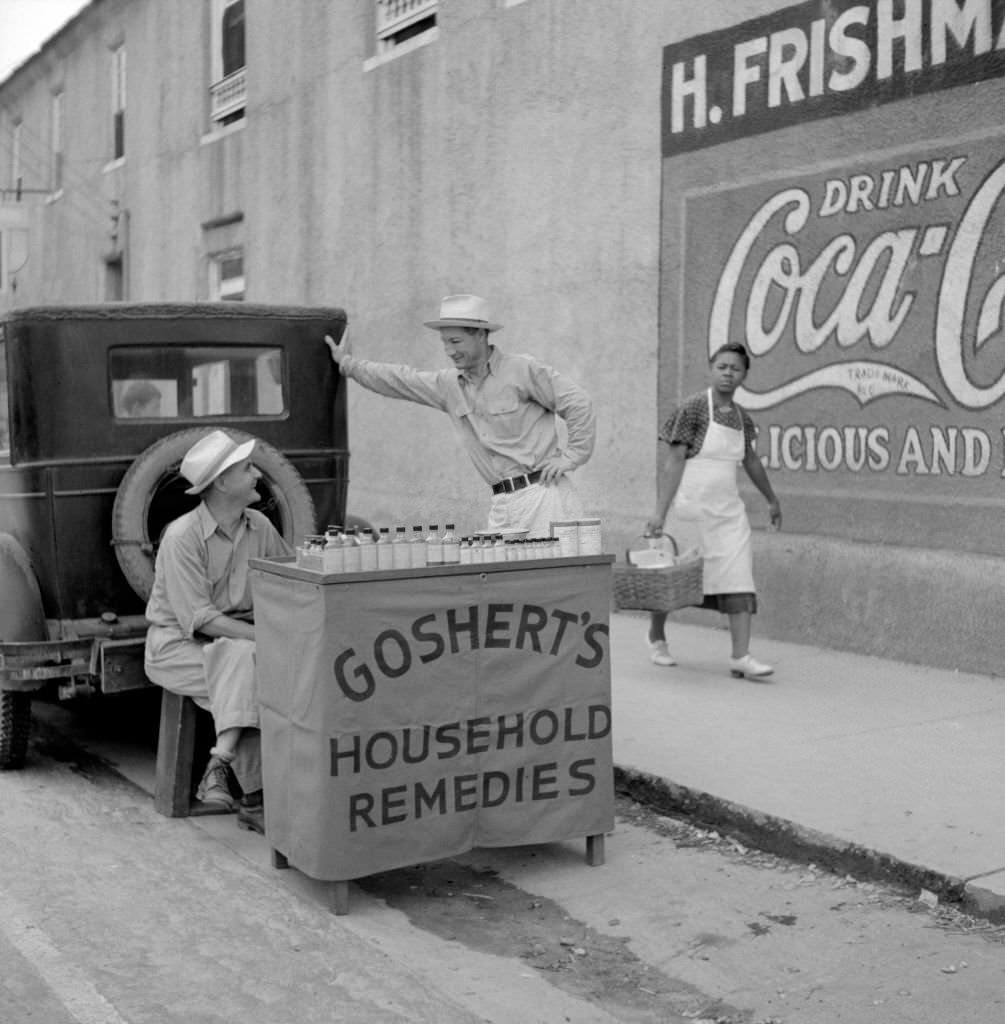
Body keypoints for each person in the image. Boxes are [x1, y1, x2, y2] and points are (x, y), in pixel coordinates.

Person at [324, 294, 596, 535]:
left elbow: (578, 403)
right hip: (503, 503)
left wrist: (571, 457)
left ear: (480, 334)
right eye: (445, 343)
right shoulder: (449, 385)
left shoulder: (522, 370)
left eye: (456, 341)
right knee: (502, 585)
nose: (450, 351)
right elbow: (400, 380)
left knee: (550, 581)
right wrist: (348, 364)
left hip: (543, 496)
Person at [144, 429, 292, 832]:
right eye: (247, 470)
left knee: (249, 664)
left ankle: (220, 767)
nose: (258, 476)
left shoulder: (260, 526)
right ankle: (259, 800)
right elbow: (201, 620)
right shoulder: (182, 537)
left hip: (236, 644)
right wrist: (265, 639)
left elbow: (285, 584)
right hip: (178, 647)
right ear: (223, 482)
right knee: (251, 665)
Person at [645, 342, 782, 679]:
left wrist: (771, 499)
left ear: (744, 375)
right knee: (674, 578)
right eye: (722, 367)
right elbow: (674, 461)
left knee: (739, 577)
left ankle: (740, 656)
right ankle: (657, 636)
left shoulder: (741, 418)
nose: (728, 373)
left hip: (728, 514)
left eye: (735, 369)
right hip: (690, 510)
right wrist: (661, 513)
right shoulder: (692, 409)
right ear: (711, 368)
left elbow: (750, 460)